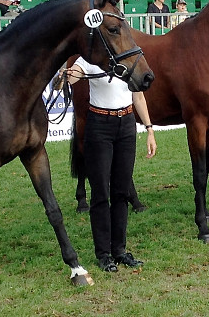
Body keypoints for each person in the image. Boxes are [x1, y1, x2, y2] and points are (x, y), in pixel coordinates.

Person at [66, 57, 157, 272]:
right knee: (100, 193)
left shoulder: (128, 58)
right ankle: (104, 254)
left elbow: (138, 96)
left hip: (126, 124)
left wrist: (149, 129)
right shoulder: (90, 58)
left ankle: (120, 250)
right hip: (99, 126)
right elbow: (73, 76)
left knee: (122, 191)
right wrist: (70, 73)